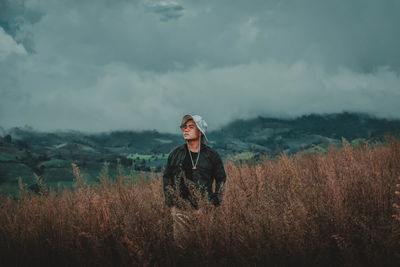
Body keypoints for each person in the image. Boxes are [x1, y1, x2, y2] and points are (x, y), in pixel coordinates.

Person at [162, 114, 226, 243]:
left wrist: (215, 201)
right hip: (180, 209)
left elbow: (221, 179)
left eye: (191, 127)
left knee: (204, 247)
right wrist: (171, 201)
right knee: (181, 248)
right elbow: (167, 177)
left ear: (200, 132)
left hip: (204, 209)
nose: (186, 130)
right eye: (184, 127)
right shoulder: (176, 154)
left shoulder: (211, 156)